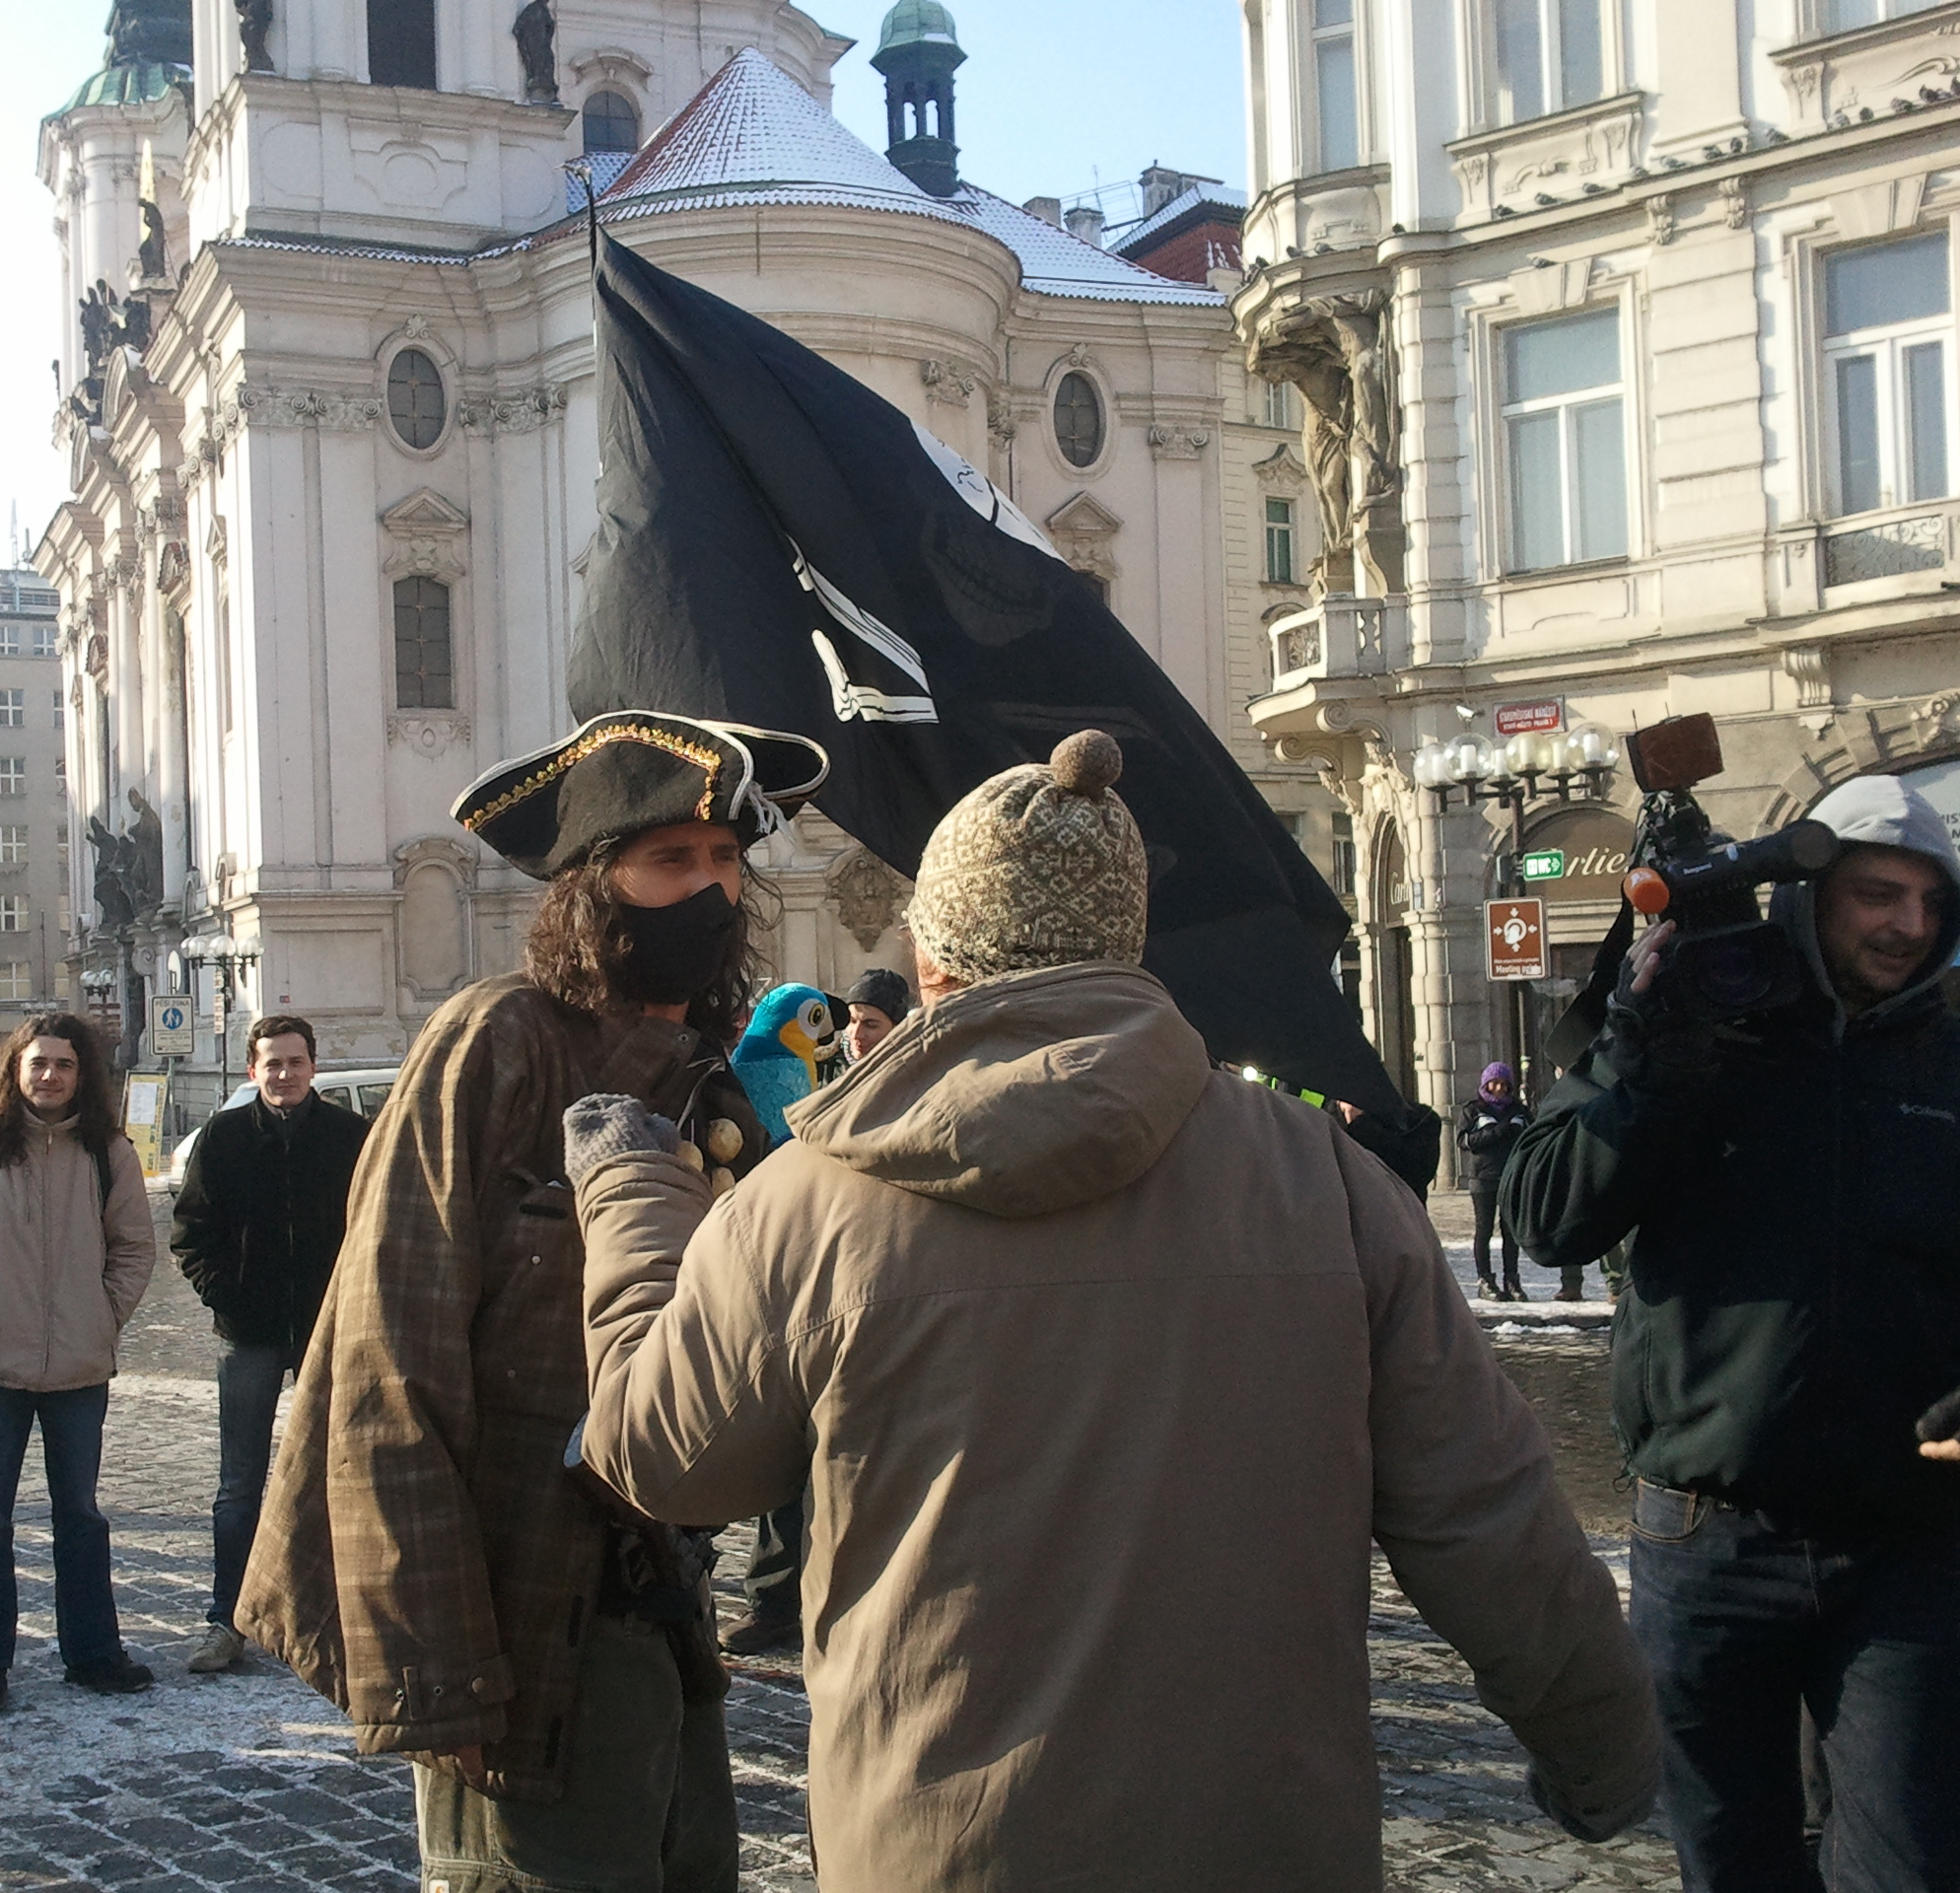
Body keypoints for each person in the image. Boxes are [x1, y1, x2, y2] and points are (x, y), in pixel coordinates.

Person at [564, 731, 1660, 1893]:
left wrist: (633, 1192)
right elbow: (1485, 1512)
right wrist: (1603, 1756)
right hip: (1262, 1842)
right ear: (1125, 947)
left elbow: (664, 1460)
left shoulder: (805, 1201)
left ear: (933, 961)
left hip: (936, 1851)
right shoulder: (1322, 1177)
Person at [240, 713, 815, 1893]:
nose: (707, 890)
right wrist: (432, 1664)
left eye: (723, 861)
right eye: (670, 862)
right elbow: (381, 1363)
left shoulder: (713, 1078)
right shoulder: (497, 1041)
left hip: (659, 1613)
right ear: (594, 890)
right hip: (508, 1624)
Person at [1505, 773, 1960, 1891]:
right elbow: (1548, 1215)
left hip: (1908, 1546)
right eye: (1874, 895)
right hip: (1704, 1545)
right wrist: (1647, 1059)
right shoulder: (1699, 1022)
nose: (1905, 925)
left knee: (1909, 1867)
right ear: (1810, 900)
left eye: (1925, 902)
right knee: (1729, 1867)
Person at [0, 1011, 157, 1715]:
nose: (51, 1075)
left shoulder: (106, 1152)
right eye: (39, 1064)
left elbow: (134, 1249)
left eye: (63, 1064)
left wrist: (100, 1314)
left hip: (80, 1370)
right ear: (16, 1071)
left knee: (80, 1516)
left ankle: (90, 1653)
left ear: (82, 1074)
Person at [170, 1014, 371, 1675]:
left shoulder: (349, 1137)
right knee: (239, 1485)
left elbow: (373, 1231)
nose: (284, 1075)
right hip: (249, 1334)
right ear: (253, 1070)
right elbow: (192, 1233)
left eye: (295, 1062)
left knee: (341, 1477)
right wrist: (228, 1297)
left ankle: (339, 1617)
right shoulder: (224, 1138)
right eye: (272, 1064)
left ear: (314, 1066)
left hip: (326, 1334)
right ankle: (227, 1621)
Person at [1455, 1062, 1529, 1301]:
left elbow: (1533, 1135)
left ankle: (1512, 1279)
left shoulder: (1519, 1110)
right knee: (1483, 1229)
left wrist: (1516, 1132)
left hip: (1511, 1176)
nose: (1498, 1088)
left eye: (1503, 1084)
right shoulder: (1473, 1110)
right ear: (1485, 1084)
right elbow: (1464, 1141)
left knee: (1511, 1231)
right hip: (1483, 1177)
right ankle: (1485, 1279)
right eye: (1494, 1083)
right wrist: (1495, 1132)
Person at [839, 966, 913, 1065]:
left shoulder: (914, 1070)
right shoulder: (824, 1070)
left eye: (870, 1025)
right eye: (852, 1021)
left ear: (897, 1027)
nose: (857, 1034)